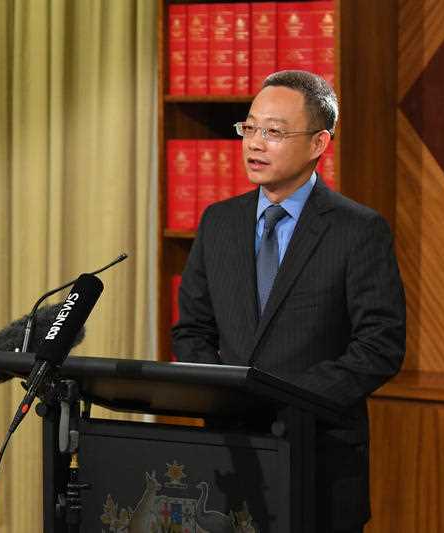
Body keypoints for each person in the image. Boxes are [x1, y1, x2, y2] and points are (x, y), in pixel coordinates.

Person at [172, 70, 406, 532]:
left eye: (274, 132)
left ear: (319, 143)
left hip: (319, 460)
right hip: (229, 457)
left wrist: (288, 402)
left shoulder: (358, 230)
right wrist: (224, 399)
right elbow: (192, 330)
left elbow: (380, 345)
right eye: (250, 127)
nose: (255, 143)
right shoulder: (219, 222)